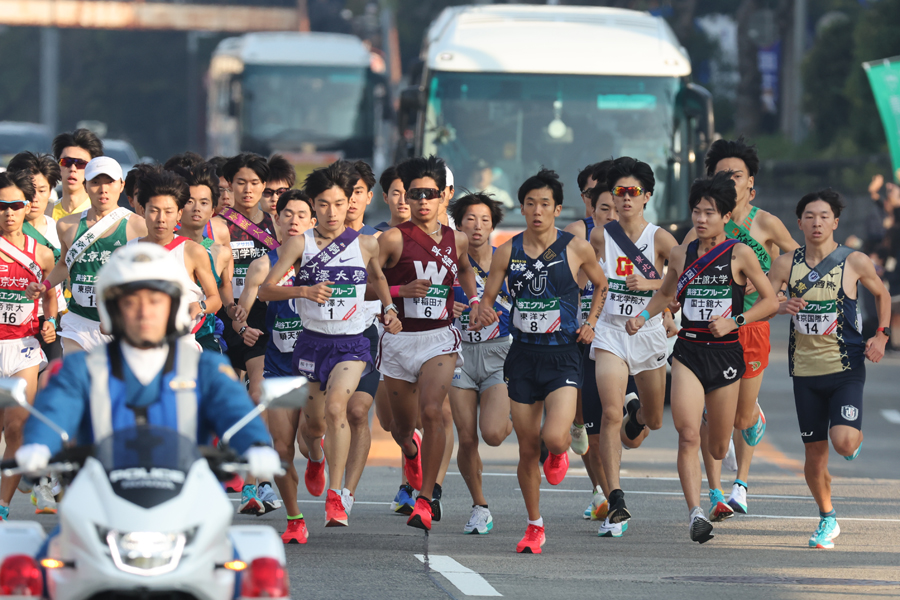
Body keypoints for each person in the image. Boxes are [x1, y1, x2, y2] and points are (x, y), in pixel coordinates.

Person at [15, 244, 283, 516]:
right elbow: (54, 413)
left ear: (174, 306)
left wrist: (256, 447)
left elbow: (235, 412)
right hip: (99, 503)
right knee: (37, 557)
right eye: (130, 301)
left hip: (186, 502)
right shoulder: (81, 369)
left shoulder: (204, 367)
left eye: (156, 301)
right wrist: (37, 446)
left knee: (252, 557)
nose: (144, 312)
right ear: (112, 308)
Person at [625, 172, 777, 543]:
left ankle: (736, 420)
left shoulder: (739, 254)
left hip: (725, 354)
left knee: (716, 444)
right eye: (696, 211)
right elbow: (665, 292)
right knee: (688, 434)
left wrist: (736, 320)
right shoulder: (681, 253)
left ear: (725, 217)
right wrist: (643, 316)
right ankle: (695, 513)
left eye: (709, 212)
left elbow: (771, 302)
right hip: (689, 351)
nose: (701, 219)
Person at [475, 169, 608, 554]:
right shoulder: (507, 251)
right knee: (526, 448)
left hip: (564, 353)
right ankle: (535, 525)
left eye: (544, 204)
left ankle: (560, 449)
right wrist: (482, 311)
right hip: (523, 355)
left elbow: (601, 283)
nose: (537, 211)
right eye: (530, 203)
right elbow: (489, 297)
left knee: (553, 437)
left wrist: (591, 322)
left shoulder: (575, 248)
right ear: (522, 207)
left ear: (557, 209)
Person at [262, 161, 399, 528]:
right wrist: (303, 290)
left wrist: (389, 310)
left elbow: (378, 279)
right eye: (323, 204)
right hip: (311, 344)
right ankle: (318, 456)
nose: (333, 211)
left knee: (340, 407)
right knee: (314, 427)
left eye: (339, 203)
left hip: (352, 343)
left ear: (350, 204)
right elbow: (265, 290)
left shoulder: (367, 243)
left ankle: (336, 496)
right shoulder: (298, 244)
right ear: (314, 205)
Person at [768, 189, 890, 549]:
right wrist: (780, 305)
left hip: (846, 367)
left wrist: (881, 336)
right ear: (800, 222)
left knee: (843, 441)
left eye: (824, 216)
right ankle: (827, 518)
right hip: (804, 373)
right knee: (814, 454)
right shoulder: (785, 264)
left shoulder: (854, 261)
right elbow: (765, 300)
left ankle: (852, 436)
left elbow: (882, 294)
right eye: (810, 216)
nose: (817, 222)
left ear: (835, 222)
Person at [685, 137, 799, 520]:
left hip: (750, 326)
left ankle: (742, 480)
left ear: (751, 182)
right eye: (721, 175)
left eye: (736, 175)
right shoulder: (705, 222)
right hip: (706, 334)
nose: (729, 181)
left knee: (740, 418)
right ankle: (719, 490)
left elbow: (796, 256)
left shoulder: (763, 222)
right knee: (704, 415)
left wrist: (769, 280)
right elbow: (678, 267)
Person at [377, 155, 480, 531]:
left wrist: (476, 301)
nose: (421, 201)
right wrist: (398, 292)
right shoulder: (391, 239)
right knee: (401, 427)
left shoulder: (459, 239)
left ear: (443, 198)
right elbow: (366, 284)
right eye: (414, 193)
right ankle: (410, 450)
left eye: (430, 194)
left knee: (434, 411)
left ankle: (425, 498)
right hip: (399, 339)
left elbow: (465, 269)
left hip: (439, 336)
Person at [585, 157, 679, 537]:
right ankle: (616, 497)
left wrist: (652, 286)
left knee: (654, 421)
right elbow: (593, 281)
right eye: (619, 192)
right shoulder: (599, 237)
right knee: (609, 413)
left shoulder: (660, 239)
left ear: (647, 198)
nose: (625, 199)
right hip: (610, 331)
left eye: (633, 193)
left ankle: (637, 414)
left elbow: (679, 281)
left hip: (650, 333)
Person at [237, 190, 314, 536]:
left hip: (320, 364)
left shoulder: (326, 261)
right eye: (287, 214)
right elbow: (246, 312)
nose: (294, 220)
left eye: (301, 215)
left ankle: (317, 457)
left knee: (310, 437)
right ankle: (295, 520)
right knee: (282, 446)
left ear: (313, 223)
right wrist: (245, 329)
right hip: (281, 363)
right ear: (276, 219)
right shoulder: (263, 265)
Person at [27, 157, 148, 354]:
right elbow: (65, 265)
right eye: (95, 182)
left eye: (109, 182)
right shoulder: (67, 225)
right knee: (78, 378)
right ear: (85, 185)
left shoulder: (138, 226)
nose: (103, 189)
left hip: (120, 323)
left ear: (121, 185)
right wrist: (45, 285)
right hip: (78, 322)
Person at [448, 193, 513, 535]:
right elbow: (427, 299)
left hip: (498, 354)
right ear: (458, 224)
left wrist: (495, 311)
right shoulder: (447, 261)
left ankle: (510, 418)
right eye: (470, 219)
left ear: (493, 225)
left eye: (485, 220)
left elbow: (525, 304)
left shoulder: (508, 260)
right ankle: (479, 506)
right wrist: (450, 309)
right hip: (459, 355)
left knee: (493, 434)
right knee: (467, 437)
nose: (477, 226)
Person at [0, 171, 58, 521]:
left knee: (17, 430)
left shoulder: (44, 254)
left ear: (27, 208)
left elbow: (51, 295)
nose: (8, 212)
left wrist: (49, 321)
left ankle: (2, 506)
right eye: (1, 206)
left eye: (15, 206)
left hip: (22, 348)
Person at [135, 168, 222, 344]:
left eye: (168, 212)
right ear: (143, 211)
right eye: (154, 210)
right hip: (138, 344)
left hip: (182, 345)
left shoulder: (192, 251)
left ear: (179, 214)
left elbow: (215, 300)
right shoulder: (126, 253)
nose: (161, 218)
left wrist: (199, 306)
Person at [215, 153, 277, 402]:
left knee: (258, 393)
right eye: (241, 182)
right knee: (227, 396)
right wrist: (233, 316)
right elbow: (217, 278)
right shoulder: (217, 226)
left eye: (254, 182)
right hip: (225, 315)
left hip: (264, 318)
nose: (248, 189)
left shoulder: (278, 225)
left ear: (264, 185)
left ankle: (258, 442)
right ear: (229, 184)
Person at [174, 162, 239, 353]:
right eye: (189, 201)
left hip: (206, 334)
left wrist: (231, 308)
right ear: (178, 207)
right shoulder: (164, 247)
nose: (196, 209)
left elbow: (225, 285)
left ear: (212, 210)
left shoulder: (220, 251)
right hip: (170, 335)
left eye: (204, 203)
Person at [7, 152, 65, 365]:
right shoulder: (7, 230)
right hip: (14, 322)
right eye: (30, 191)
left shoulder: (60, 229)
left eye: (42, 190)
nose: (35, 197)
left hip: (50, 321)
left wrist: (52, 319)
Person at [49, 129, 103, 221]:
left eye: (81, 163)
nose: (73, 169)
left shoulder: (101, 216)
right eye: (66, 162)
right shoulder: (45, 214)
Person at [373, 166, 409, 234]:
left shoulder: (428, 234)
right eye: (396, 194)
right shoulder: (375, 236)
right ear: (386, 197)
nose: (402, 201)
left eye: (407, 194)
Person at [261, 154, 296, 219]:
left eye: (281, 192)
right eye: (268, 192)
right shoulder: (246, 226)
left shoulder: (301, 227)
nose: (274, 199)